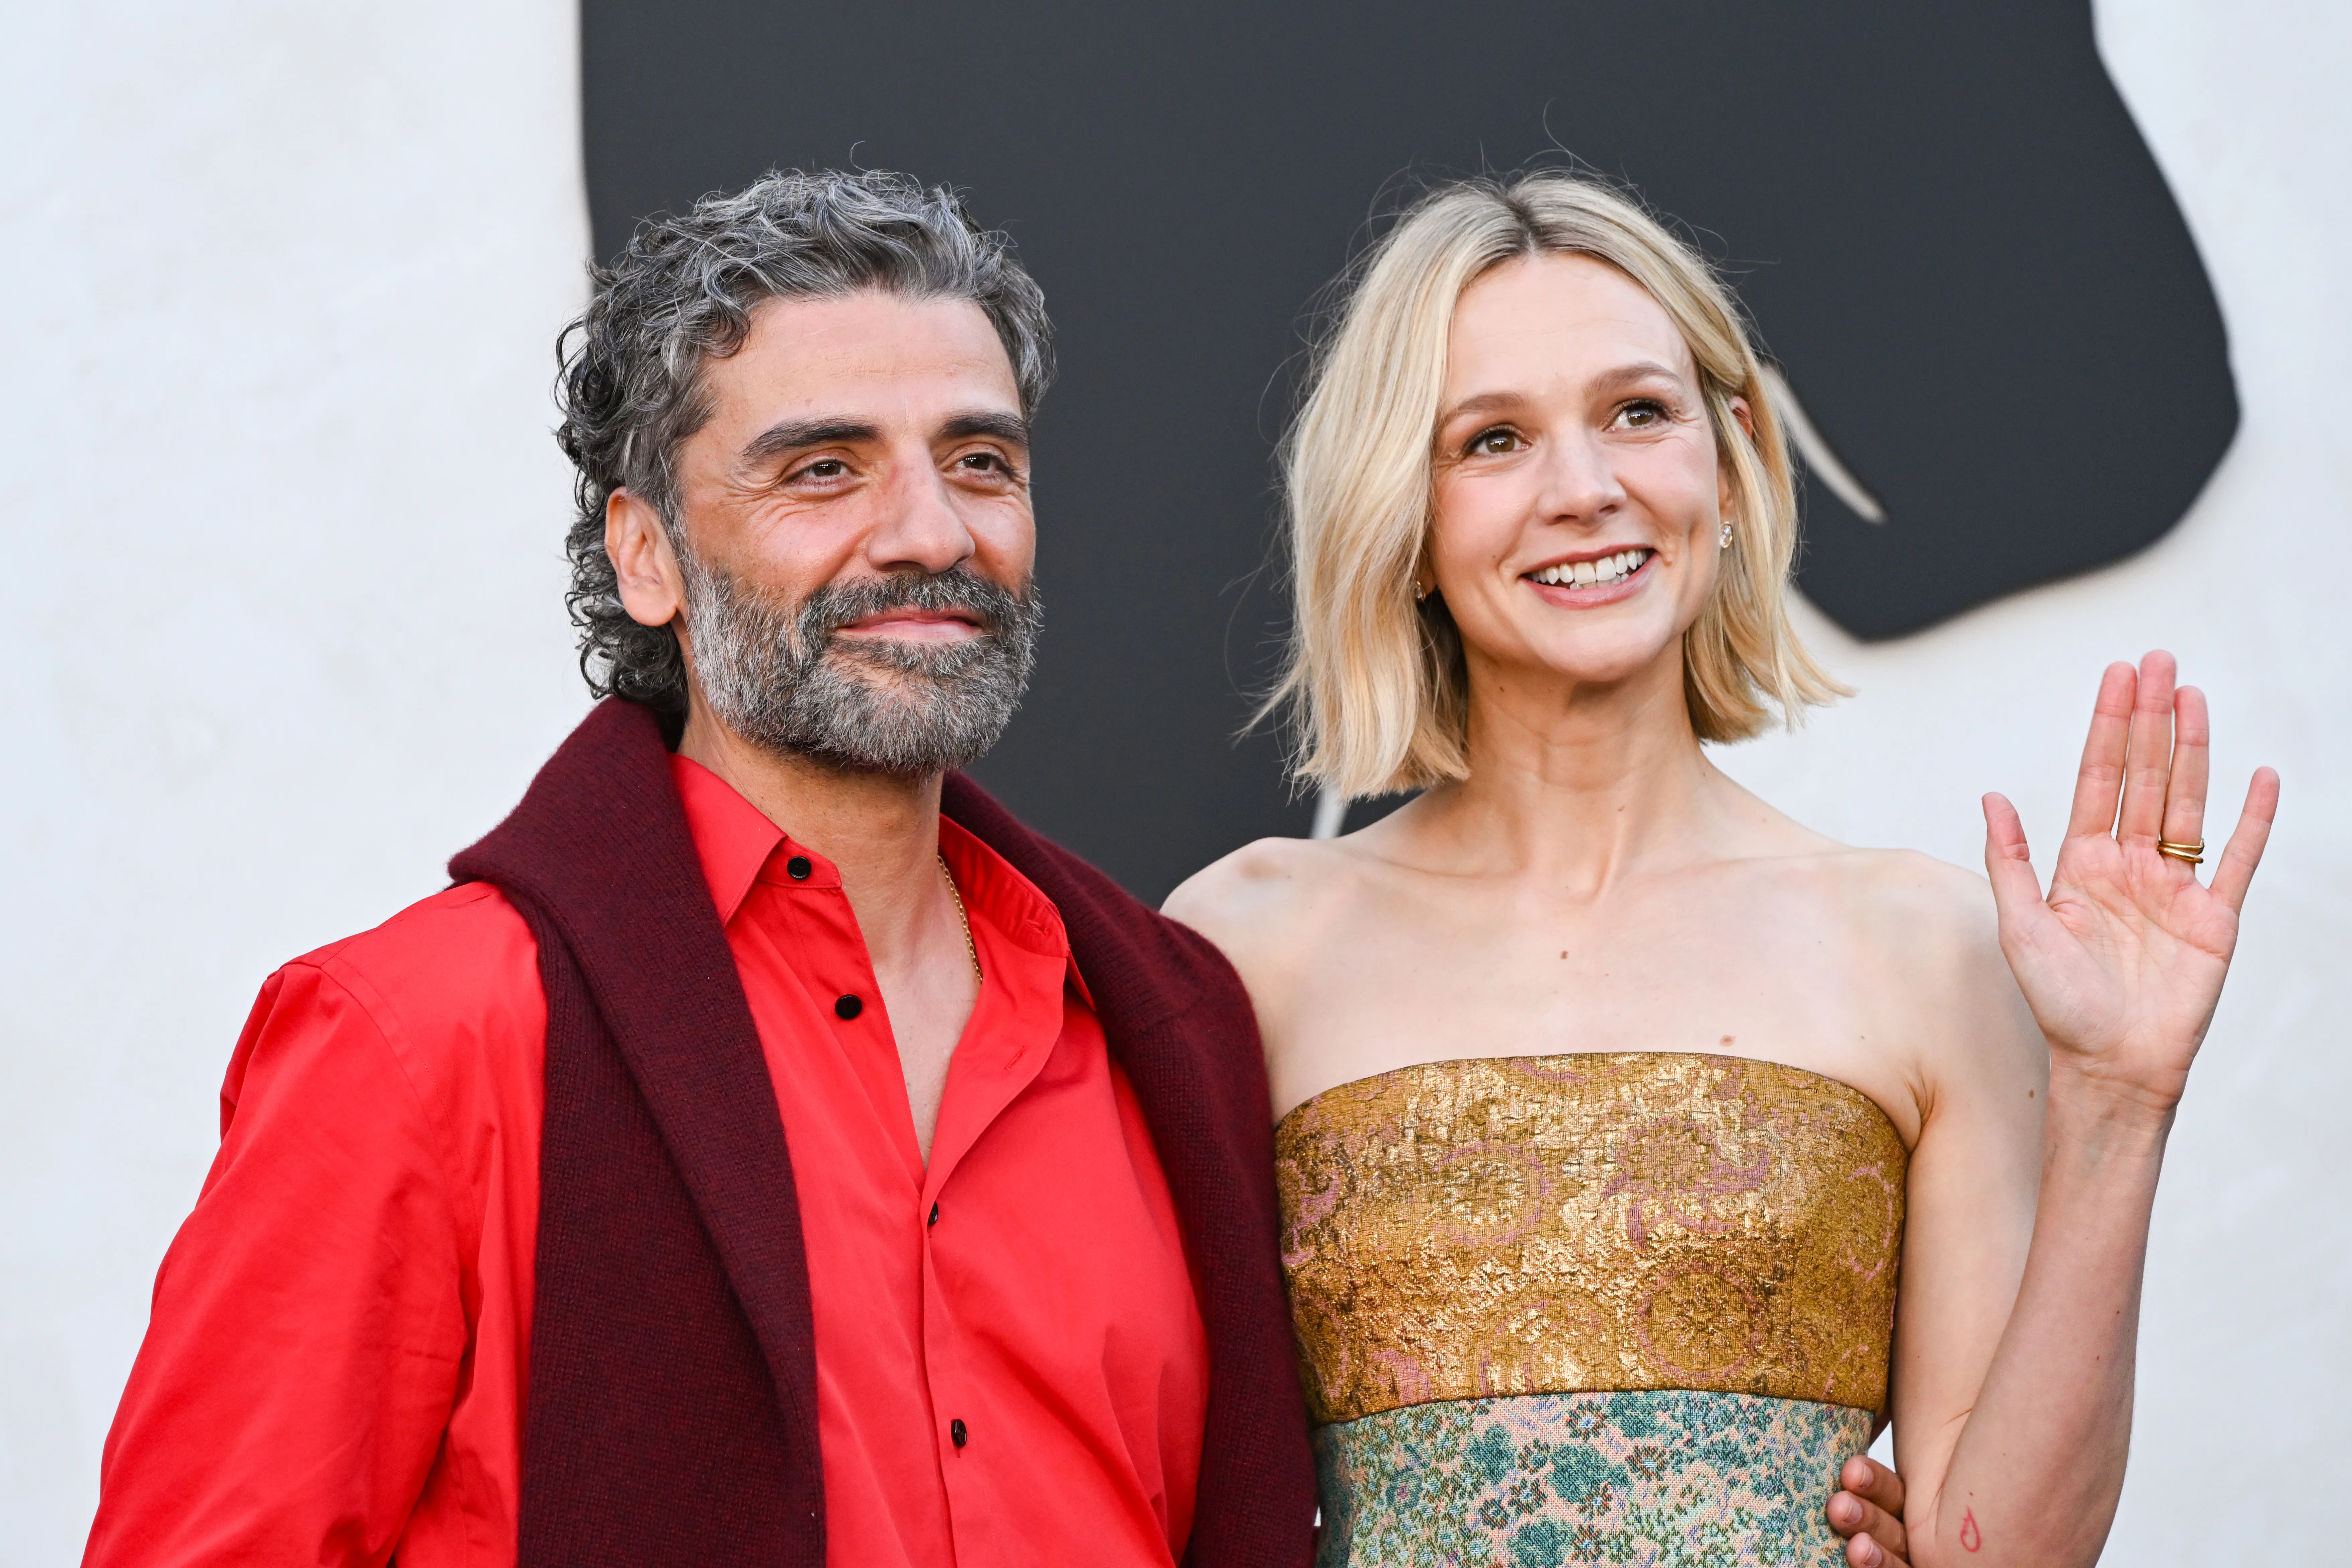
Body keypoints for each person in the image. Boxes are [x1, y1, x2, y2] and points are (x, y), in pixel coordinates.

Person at [80, 170, 1321, 1568]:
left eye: (979, 460)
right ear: (648, 555)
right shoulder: (422, 1040)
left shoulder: (1170, 1031)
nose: (930, 531)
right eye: (822, 469)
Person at [1165, 172, 2277, 1568]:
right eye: (1493, 440)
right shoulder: (1244, 949)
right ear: (1405, 513)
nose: (1585, 490)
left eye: (1638, 412)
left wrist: (2118, 1102)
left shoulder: (1919, 945)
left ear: (1731, 456)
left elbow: (2000, 1556)